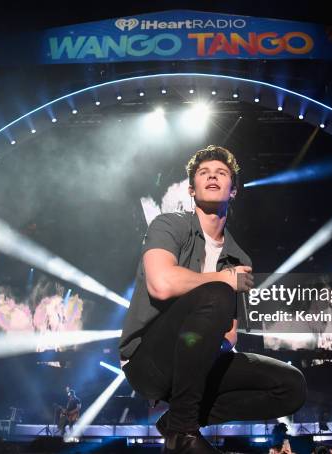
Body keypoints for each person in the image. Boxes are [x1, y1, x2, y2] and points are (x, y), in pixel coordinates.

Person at [119, 145, 307, 453]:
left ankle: (177, 421)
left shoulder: (238, 257)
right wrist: (224, 281)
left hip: (197, 363)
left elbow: (229, 334)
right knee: (217, 292)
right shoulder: (169, 225)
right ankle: (183, 433)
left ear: (233, 191)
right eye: (204, 173)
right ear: (192, 189)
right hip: (148, 362)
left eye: (221, 173)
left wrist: (205, 341)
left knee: (291, 386)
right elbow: (161, 285)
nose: (212, 177)